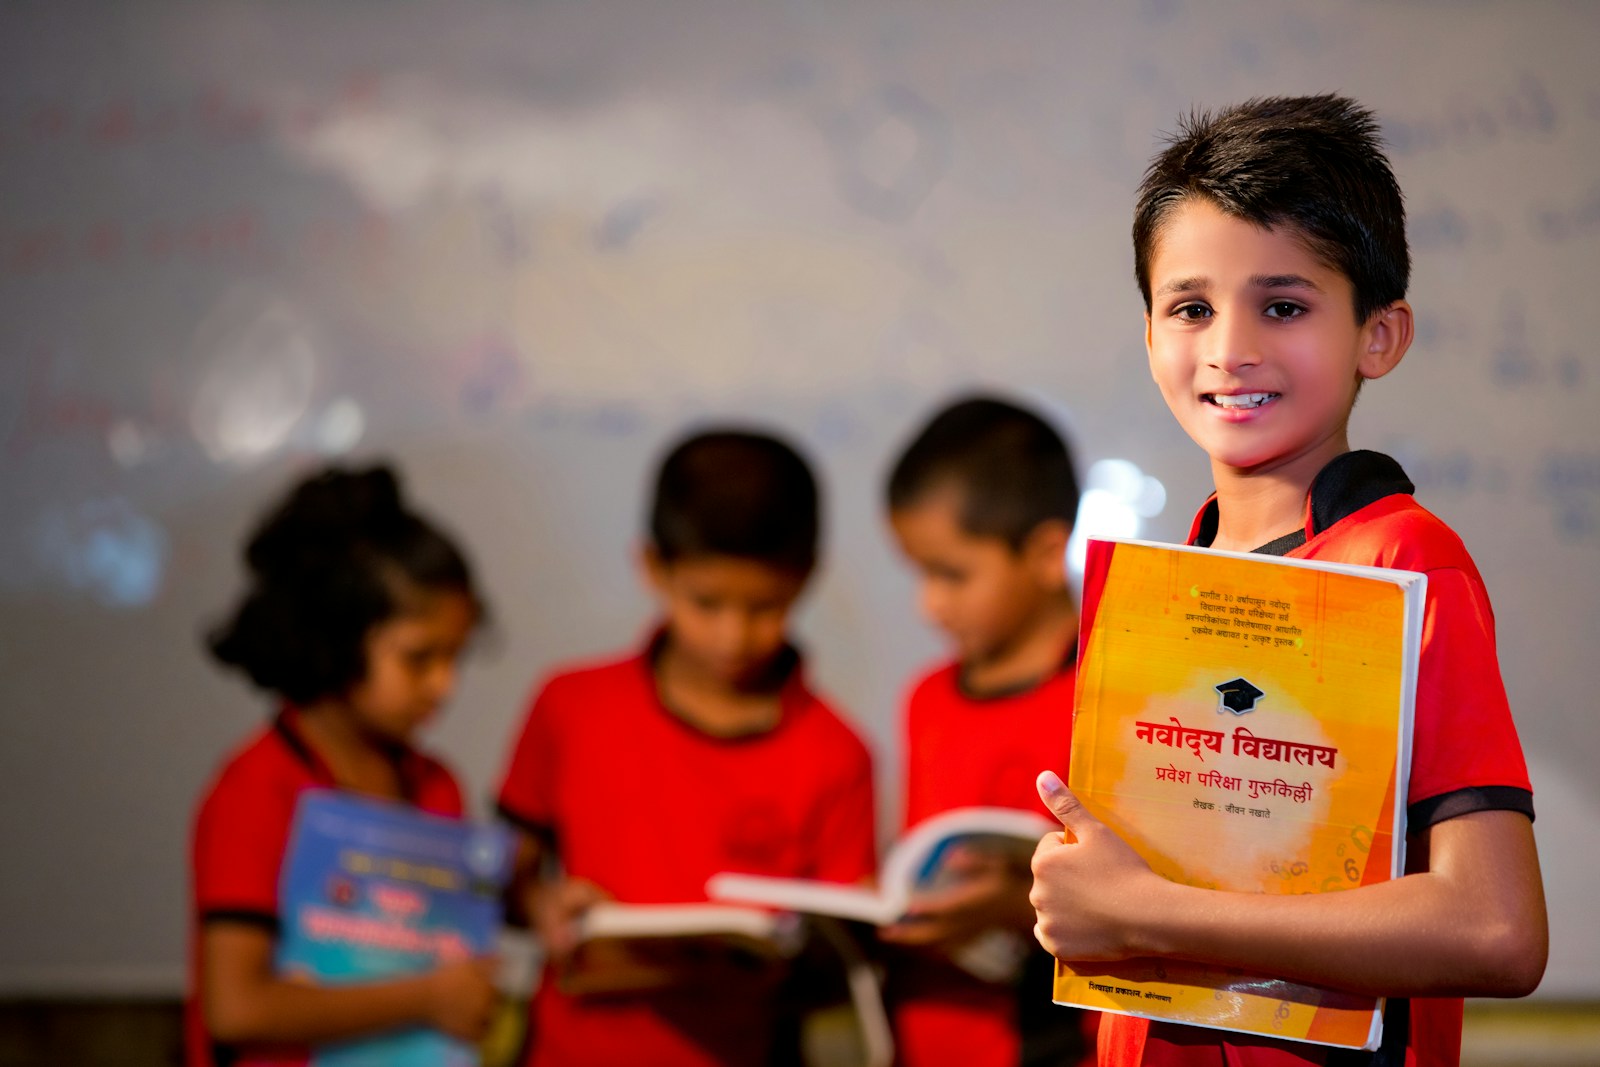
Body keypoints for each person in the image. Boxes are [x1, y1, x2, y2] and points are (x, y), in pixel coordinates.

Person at [1029, 94, 1548, 1067]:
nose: (1230, 347)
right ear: (1148, 337)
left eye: (1282, 305)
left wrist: (1145, 907)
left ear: (1378, 336)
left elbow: (1495, 928)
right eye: (1190, 307)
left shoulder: (1400, 560)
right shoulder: (1168, 585)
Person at [496, 428, 877, 1067]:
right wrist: (541, 903)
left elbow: (840, 962)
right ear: (652, 568)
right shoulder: (571, 707)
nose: (734, 635)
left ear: (807, 579)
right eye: (706, 603)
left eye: (766, 606)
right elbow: (501, 878)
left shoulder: (836, 753)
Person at [187, 465, 497, 1067]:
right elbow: (235, 1007)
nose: (445, 685)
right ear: (334, 639)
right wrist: (428, 997)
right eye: (419, 659)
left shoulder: (435, 786)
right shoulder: (258, 790)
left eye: (456, 657)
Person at [883, 395, 1094, 1067]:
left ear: (1044, 551)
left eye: (951, 573)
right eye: (919, 572)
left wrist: (1015, 907)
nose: (928, 603)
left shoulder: (1115, 694)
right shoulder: (928, 699)